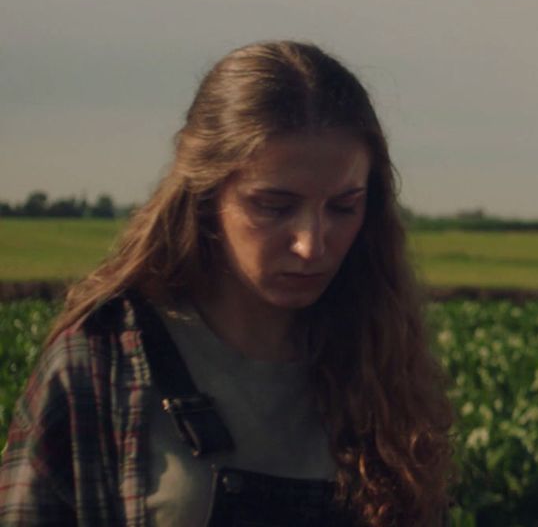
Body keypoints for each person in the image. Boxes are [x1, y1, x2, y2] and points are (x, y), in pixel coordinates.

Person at [0, 42, 455, 526]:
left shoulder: (383, 361)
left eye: (344, 207)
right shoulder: (102, 362)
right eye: (274, 206)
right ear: (207, 194)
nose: (312, 245)